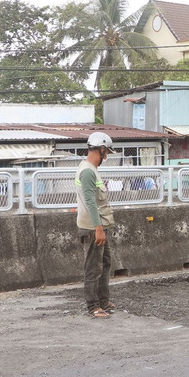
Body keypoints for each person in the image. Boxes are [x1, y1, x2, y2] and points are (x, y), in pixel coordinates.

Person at [75, 132, 117, 318]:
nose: (106, 156)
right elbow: (91, 203)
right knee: (93, 267)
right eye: (106, 152)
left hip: (99, 226)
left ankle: (103, 300)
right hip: (93, 228)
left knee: (105, 262)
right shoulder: (87, 172)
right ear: (100, 149)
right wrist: (98, 229)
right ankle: (93, 306)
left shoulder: (91, 169)